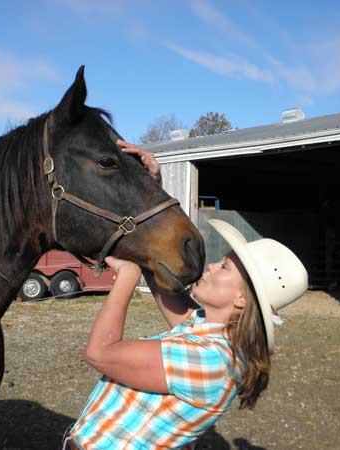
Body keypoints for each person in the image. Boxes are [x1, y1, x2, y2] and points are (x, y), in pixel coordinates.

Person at [62, 141, 308, 450]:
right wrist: (150, 187)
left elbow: (100, 352)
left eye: (226, 268)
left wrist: (126, 276)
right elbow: (159, 277)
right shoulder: (207, 330)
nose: (214, 265)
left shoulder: (210, 361)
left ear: (241, 301)